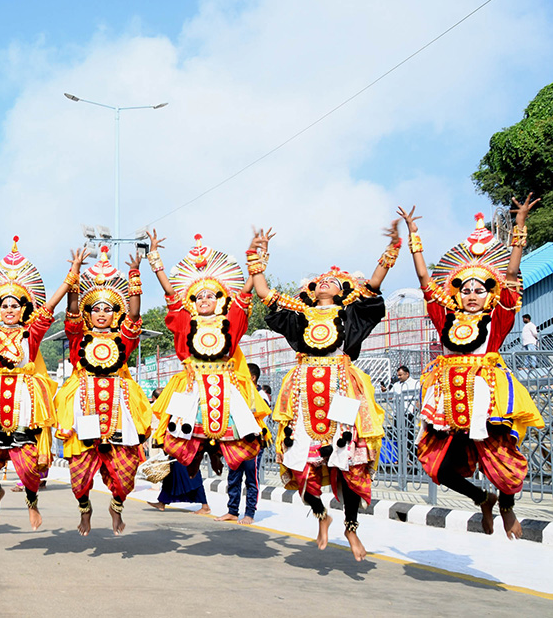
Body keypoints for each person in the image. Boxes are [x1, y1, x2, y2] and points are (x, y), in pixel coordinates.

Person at [250, 221, 398, 561]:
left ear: (342, 290)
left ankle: (351, 526)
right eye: (320, 281)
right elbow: (264, 294)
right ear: (312, 289)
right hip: (303, 388)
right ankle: (321, 514)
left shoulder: (348, 312)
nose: (325, 282)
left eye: (333, 281)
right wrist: (257, 255)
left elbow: (374, 285)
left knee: (346, 459)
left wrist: (390, 252)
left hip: (342, 387)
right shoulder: (300, 313)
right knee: (299, 459)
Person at [398, 200, 544, 539]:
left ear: (489, 295)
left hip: (485, 396)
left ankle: (506, 505)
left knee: (504, 463)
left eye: (479, 290)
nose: (472, 294)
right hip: (447, 398)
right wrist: (414, 237)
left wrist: (519, 228)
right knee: (439, 468)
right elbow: (424, 280)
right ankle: (482, 499)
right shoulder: (444, 317)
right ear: (457, 294)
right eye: (465, 290)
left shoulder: (499, 318)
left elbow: (509, 276)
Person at [146, 232, 270, 527]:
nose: (204, 299)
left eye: (210, 295)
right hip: (192, 388)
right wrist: (156, 263)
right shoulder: (186, 323)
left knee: (243, 441)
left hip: (227, 387)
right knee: (175, 440)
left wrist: (256, 259)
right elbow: (171, 298)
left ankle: (235, 492)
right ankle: (203, 463)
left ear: (220, 300)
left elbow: (245, 295)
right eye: (198, 296)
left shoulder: (231, 321)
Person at [0, 238, 76, 530]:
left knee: (29, 464)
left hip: (23, 401)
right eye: (4, 305)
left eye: (15, 305)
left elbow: (51, 305)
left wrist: (70, 278)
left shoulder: (30, 334)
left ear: (23, 309)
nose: (9, 309)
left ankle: (32, 502)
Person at [55, 246, 152, 536]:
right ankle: (85, 510)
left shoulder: (124, 339)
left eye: (107, 308)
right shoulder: (78, 337)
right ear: (88, 313)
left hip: (119, 407)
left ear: (114, 313)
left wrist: (135, 275)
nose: (100, 313)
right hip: (84, 402)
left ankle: (117, 507)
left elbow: (134, 315)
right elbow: (71, 311)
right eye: (95, 308)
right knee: (79, 474)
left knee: (125, 472)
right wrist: (74, 273)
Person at [220, 363, 265, 525]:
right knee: (233, 477)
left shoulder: (259, 395)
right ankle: (232, 511)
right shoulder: (235, 393)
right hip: (236, 442)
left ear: (251, 377)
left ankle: (250, 513)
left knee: (251, 479)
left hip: (252, 442)